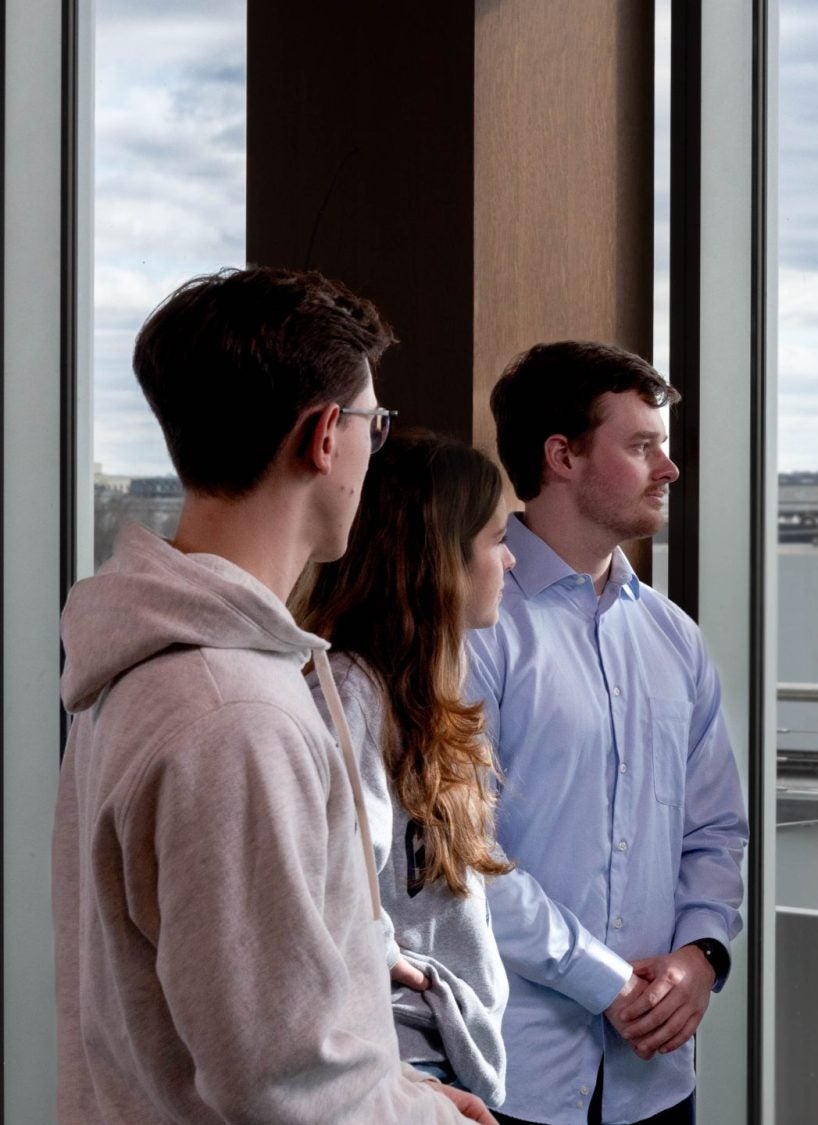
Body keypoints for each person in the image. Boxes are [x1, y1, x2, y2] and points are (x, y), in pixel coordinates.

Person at [53, 267, 489, 1122]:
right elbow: (288, 1087)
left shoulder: (156, 671)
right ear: (326, 436)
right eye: (375, 423)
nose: (375, 447)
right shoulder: (234, 714)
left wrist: (398, 1091)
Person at [468, 341, 748, 1125]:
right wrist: (608, 981)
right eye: (641, 445)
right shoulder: (475, 627)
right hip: (512, 1078)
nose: (670, 467)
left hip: (655, 1080)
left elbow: (716, 830)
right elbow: (461, 855)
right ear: (562, 455)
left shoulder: (674, 637)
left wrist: (701, 958)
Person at [297, 431, 519, 1108]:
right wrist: (406, 1087)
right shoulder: (347, 698)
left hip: (436, 1076)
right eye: (495, 538)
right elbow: (333, 916)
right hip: (398, 1084)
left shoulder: (415, 698)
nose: (509, 559)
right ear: (438, 559)